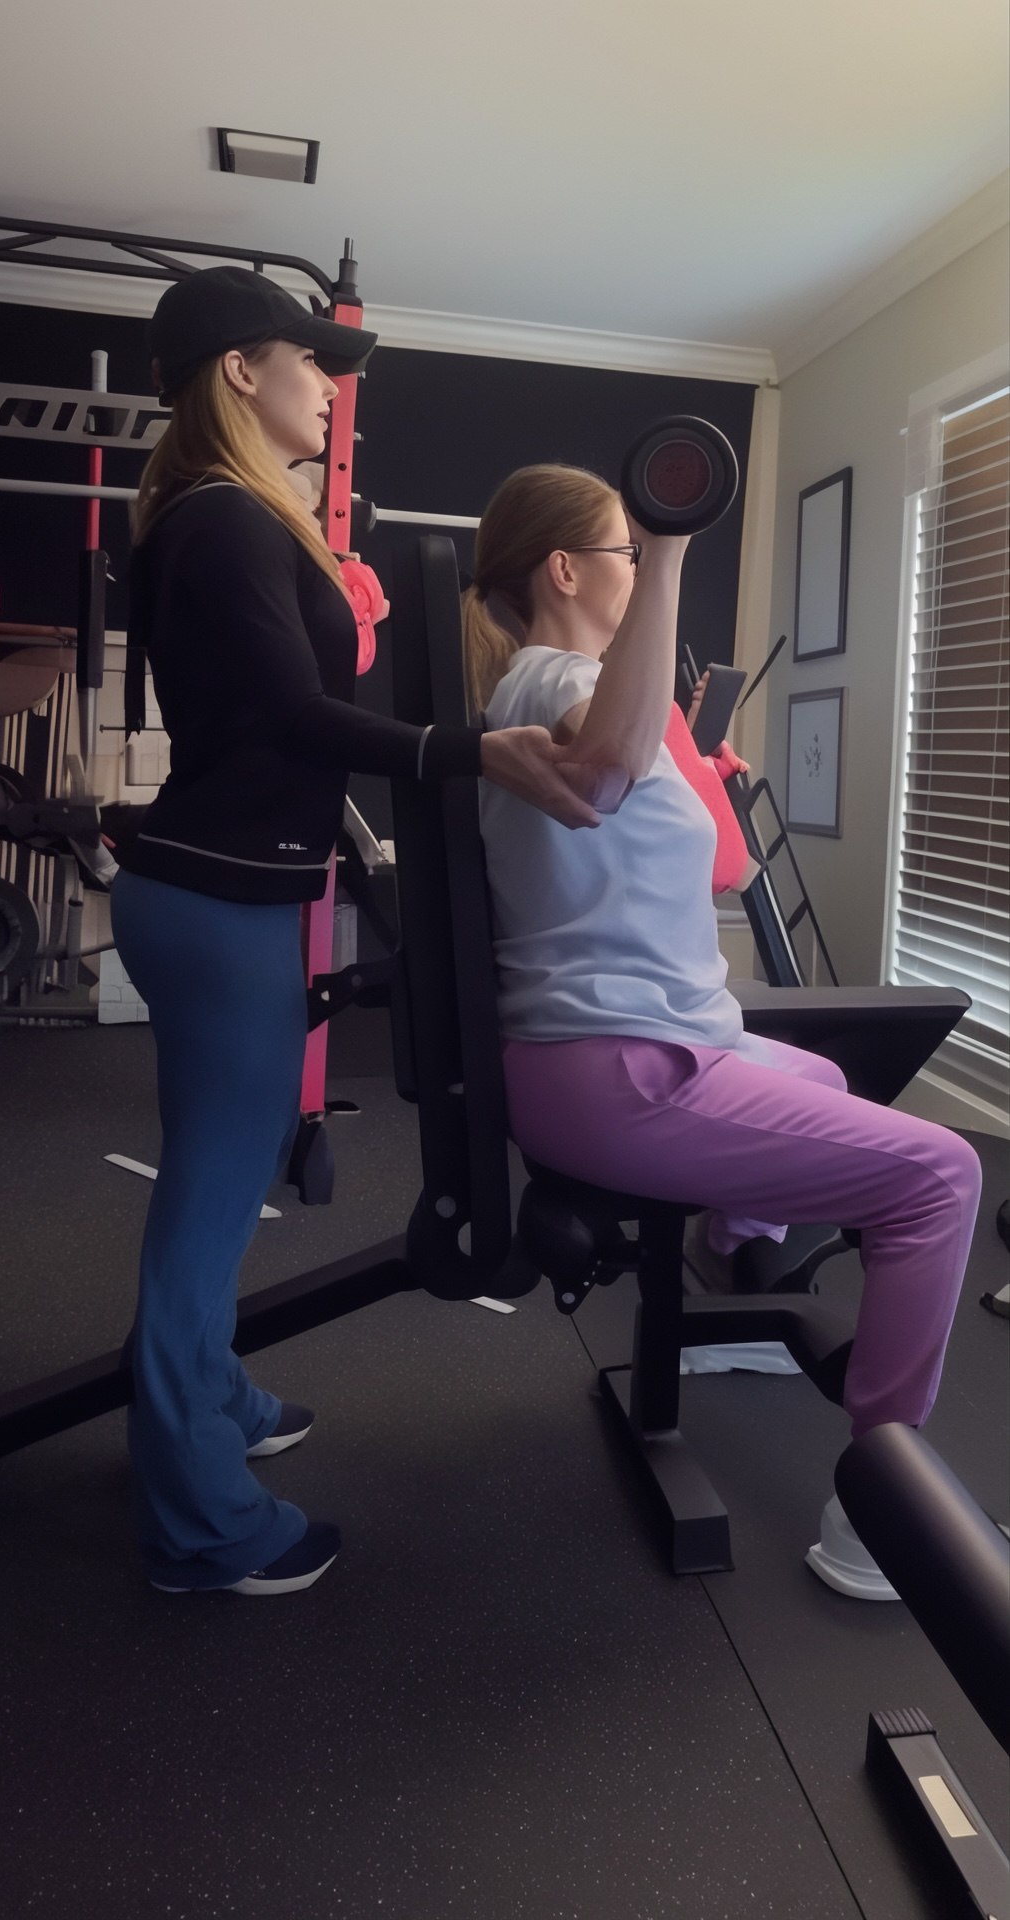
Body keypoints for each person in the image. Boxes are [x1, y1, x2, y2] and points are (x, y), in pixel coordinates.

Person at [111, 270, 602, 1599]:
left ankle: (204, 1396)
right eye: (309, 364)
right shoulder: (221, 524)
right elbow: (284, 713)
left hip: (229, 889)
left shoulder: (231, 521)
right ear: (238, 375)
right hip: (218, 904)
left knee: (225, 1172)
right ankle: (199, 1525)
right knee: (209, 1211)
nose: (332, 388)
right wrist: (470, 751)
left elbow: (276, 699)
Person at [465, 462, 983, 1596]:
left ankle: (725, 1271)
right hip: (617, 1070)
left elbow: (721, 858)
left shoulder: (591, 687)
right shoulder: (546, 677)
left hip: (649, 1042)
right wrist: (676, 550)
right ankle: (877, 1508)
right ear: (567, 569)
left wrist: (689, 745)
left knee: (823, 1072)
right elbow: (597, 773)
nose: (637, 567)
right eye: (621, 551)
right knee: (940, 1174)